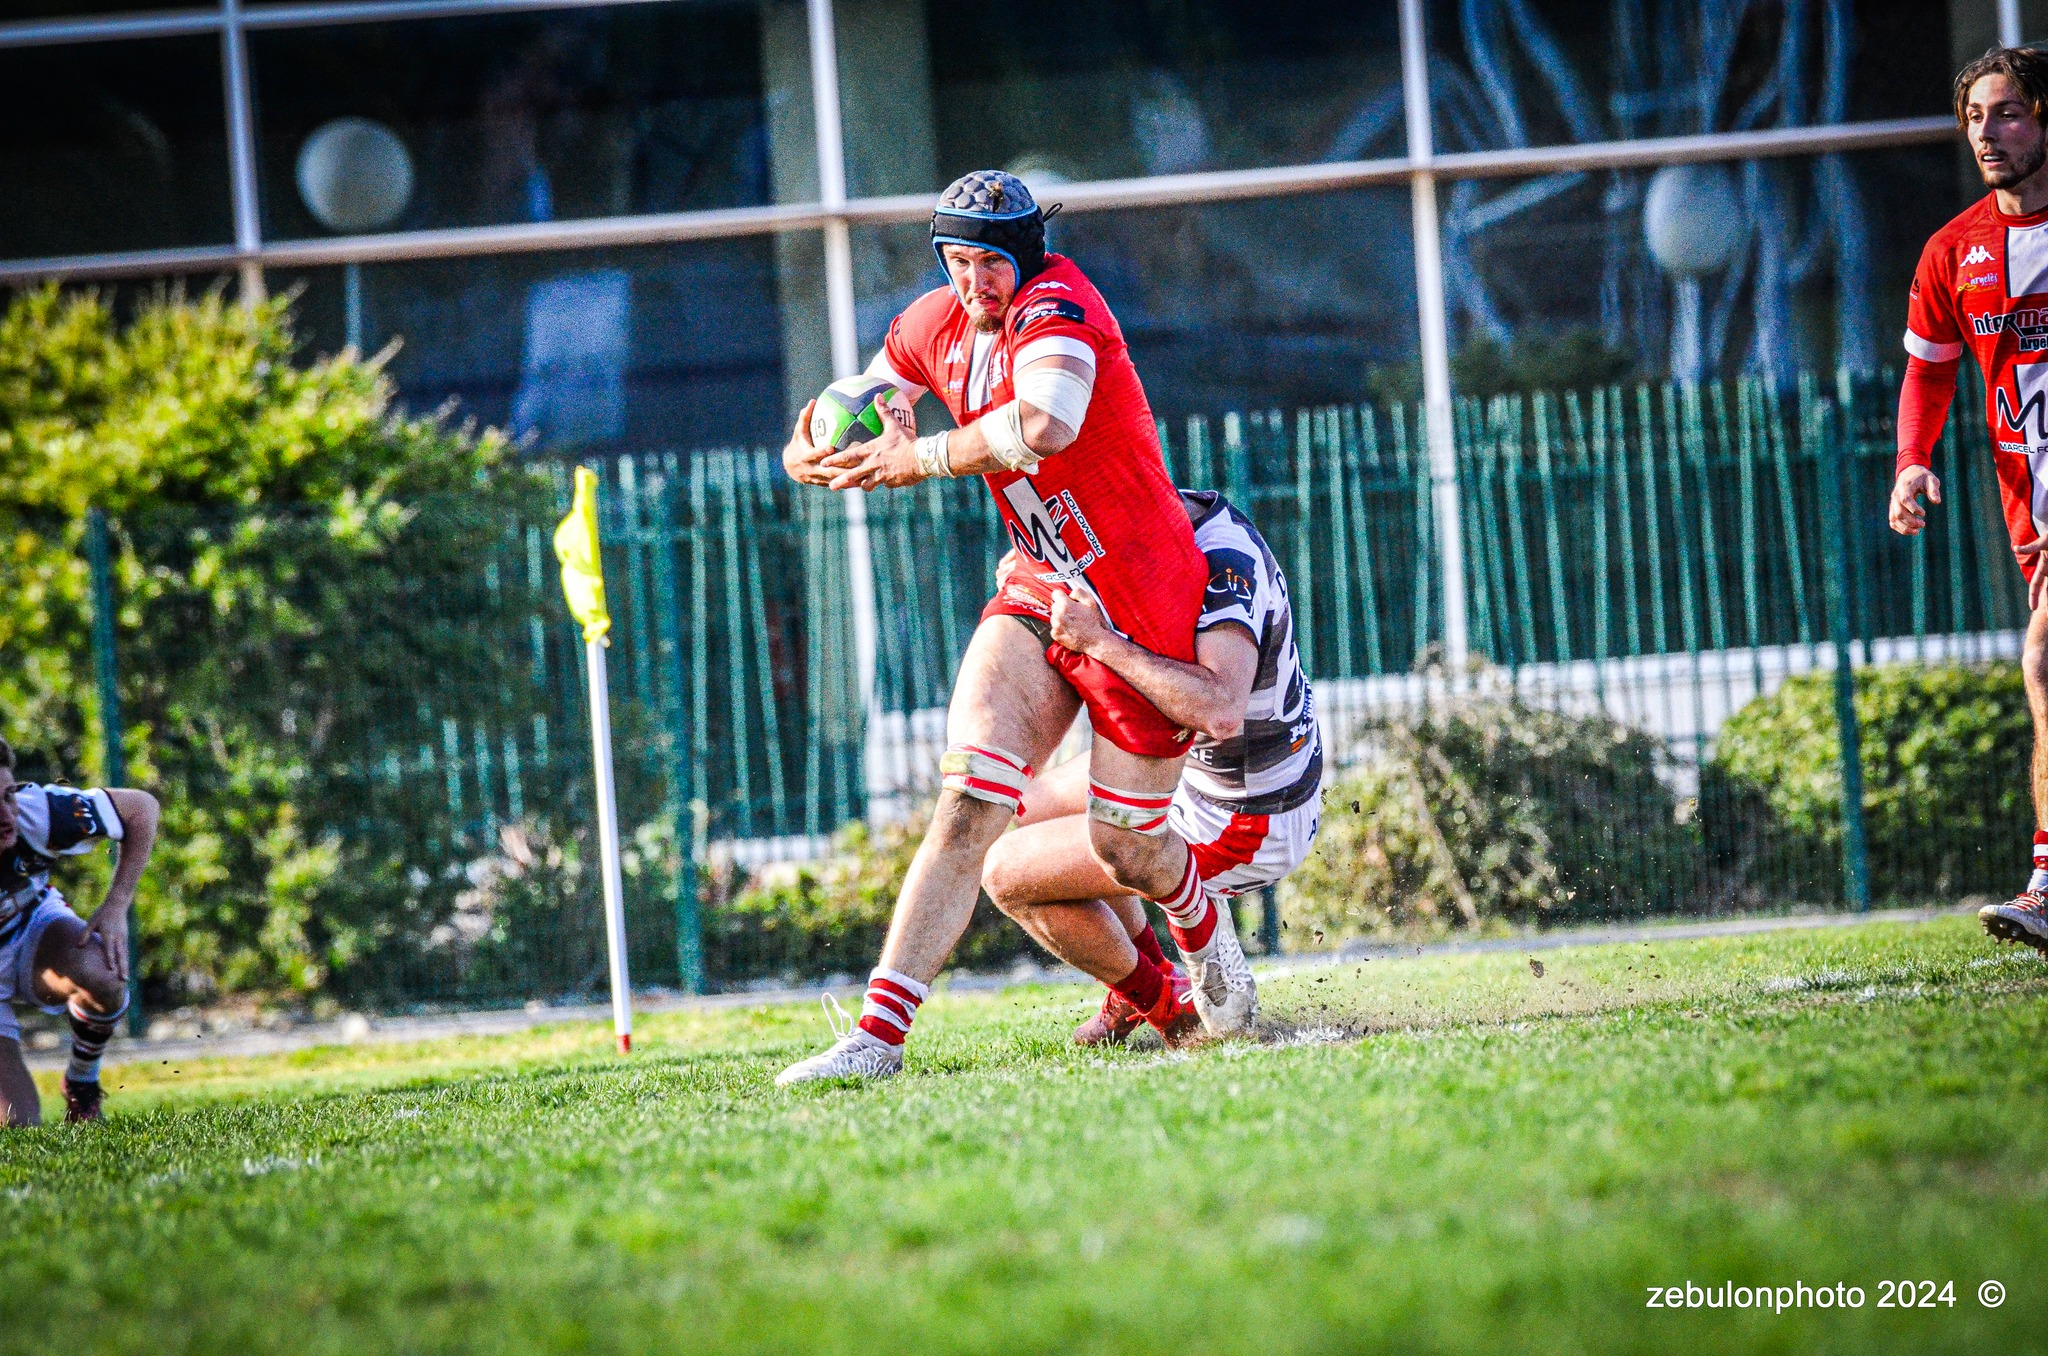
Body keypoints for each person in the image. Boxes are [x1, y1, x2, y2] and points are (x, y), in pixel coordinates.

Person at [775, 170, 1257, 1084]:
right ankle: (877, 1041)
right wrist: (810, 448)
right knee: (969, 800)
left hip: (1140, 608)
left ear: (1027, 257)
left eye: (990, 263)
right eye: (957, 262)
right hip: (1041, 584)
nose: (973, 282)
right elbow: (868, 398)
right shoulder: (936, 321)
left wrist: (918, 458)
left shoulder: (1061, 307)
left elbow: (1044, 423)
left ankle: (1199, 925)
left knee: (1126, 848)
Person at [982, 489, 1321, 1045]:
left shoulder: (1222, 563)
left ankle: (1166, 1006)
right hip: (1192, 771)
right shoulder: (1153, 523)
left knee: (1006, 874)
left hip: (1248, 818)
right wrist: (1036, 577)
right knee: (1025, 807)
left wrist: (1099, 640)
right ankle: (1151, 977)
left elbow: (1220, 709)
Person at [1891, 45, 2048, 957]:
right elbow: (1928, 372)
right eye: (1976, 118)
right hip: (2034, 520)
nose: (1988, 134)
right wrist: (1910, 463)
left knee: (2045, 662)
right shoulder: (1954, 251)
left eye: (2010, 113)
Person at [0, 736, 158, 1124]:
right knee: (18, 1123)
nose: (6, 815)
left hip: (27, 930)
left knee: (104, 972)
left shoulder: (37, 813)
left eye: (7, 795)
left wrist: (117, 903)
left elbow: (141, 808)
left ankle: (82, 1082)